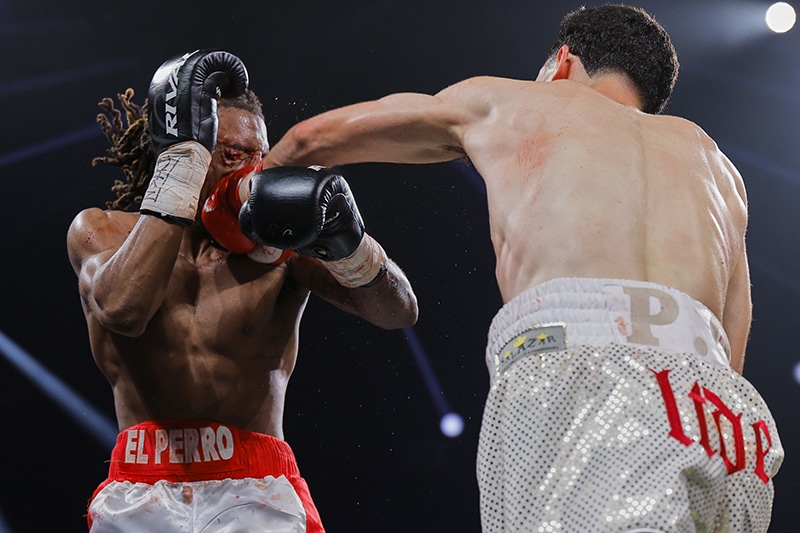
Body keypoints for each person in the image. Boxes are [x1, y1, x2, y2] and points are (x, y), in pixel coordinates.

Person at [254, 5, 784, 532]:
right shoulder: (713, 162)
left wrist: (242, 204)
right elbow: (732, 330)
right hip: (725, 418)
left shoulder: (513, 101)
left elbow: (309, 141)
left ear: (562, 59)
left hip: (586, 376)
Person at [66, 50, 418, 532]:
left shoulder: (281, 246)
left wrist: (351, 245)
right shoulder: (102, 231)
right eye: (231, 154)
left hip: (256, 484)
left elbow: (397, 312)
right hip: (139, 490)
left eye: (258, 155)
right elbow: (123, 308)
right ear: (181, 150)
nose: (250, 172)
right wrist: (182, 174)